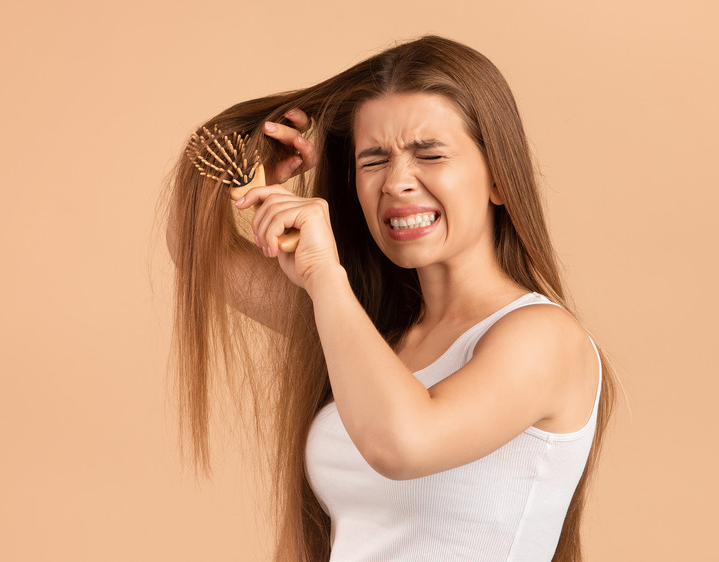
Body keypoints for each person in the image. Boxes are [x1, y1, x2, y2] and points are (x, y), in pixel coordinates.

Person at [164, 35, 617, 562]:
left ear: (500, 178)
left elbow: (403, 444)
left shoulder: (544, 338)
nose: (398, 183)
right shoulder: (368, 327)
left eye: (430, 154)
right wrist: (256, 152)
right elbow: (195, 247)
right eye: (373, 160)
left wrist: (321, 274)